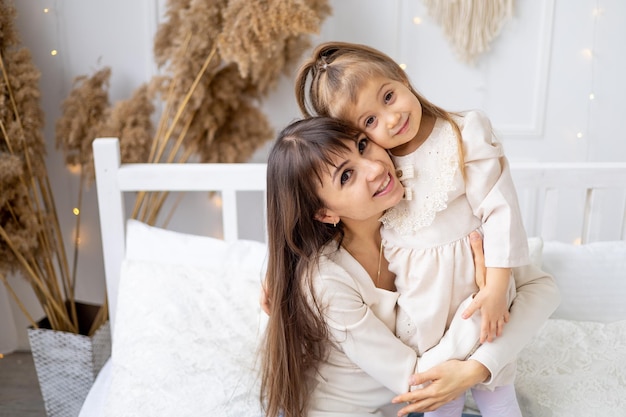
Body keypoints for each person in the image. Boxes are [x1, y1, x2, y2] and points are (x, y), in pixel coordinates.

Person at [294, 41, 535, 416]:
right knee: (442, 404)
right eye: (369, 122)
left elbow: (500, 209)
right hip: (425, 321)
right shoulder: (380, 170)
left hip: (481, 294)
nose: (390, 120)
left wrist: (498, 286)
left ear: (402, 77)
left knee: (500, 397)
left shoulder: (461, 133)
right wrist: (276, 277)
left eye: (388, 96)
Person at [259, 117, 560, 417]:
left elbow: (541, 288)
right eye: (347, 176)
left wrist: (481, 363)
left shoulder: (419, 220)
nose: (376, 168)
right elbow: (416, 380)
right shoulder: (327, 281)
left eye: (363, 145)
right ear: (325, 214)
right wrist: (483, 302)